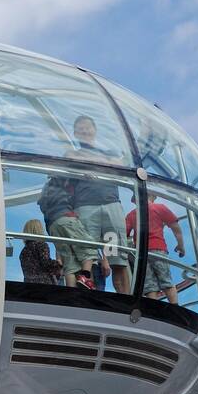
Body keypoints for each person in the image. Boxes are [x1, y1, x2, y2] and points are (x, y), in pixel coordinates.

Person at [68, 115, 130, 294]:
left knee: (117, 258)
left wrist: (94, 163)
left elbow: (119, 164)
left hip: (111, 206)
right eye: (80, 129)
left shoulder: (108, 152)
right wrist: (104, 165)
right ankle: (89, 300)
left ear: (94, 130)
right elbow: (72, 160)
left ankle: (124, 300)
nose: (85, 131)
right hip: (86, 208)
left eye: (87, 127)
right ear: (75, 134)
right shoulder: (72, 153)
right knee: (88, 256)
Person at [38, 173, 97, 289]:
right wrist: (85, 176)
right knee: (89, 248)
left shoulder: (46, 190)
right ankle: (85, 277)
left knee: (70, 264)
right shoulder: (61, 178)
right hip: (66, 218)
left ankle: (71, 291)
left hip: (53, 226)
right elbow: (71, 175)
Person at [126, 197, 186, 304]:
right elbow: (175, 227)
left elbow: (124, 233)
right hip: (158, 250)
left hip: (141, 254)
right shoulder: (160, 208)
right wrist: (181, 246)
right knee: (166, 281)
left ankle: (153, 310)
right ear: (153, 197)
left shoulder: (132, 214)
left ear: (135, 201)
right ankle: (175, 307)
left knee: (149, 286)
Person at [19, 219, 63, 285]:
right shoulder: (41, 245)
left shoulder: (23, 251)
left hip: (28, 285)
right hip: (44, 284)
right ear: (39, 229)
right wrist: (58, 264)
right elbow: (46, 263)